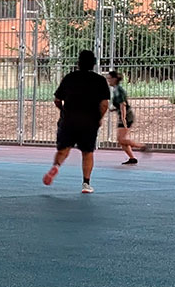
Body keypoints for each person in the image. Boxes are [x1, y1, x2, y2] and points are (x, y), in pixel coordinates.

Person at [43, 50, 109, 194]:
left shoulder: (69, 78)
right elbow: (104, 104)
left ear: (78, 63)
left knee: (63, 149)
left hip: (68, 120)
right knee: (87, 152)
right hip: (89, 122)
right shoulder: (100, 81)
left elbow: (57, 100)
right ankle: (86, 183)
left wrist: (63, 111)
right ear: (94, 63)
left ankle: (56, 166)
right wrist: (99, 118)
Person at [108, 70, 146, 164]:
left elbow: (123, 104)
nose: (108, 80)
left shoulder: (119, 90)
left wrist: (124, 119)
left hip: (126, 116)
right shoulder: (116, 89)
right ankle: (132, 158)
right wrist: (113, 109)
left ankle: (141, 146)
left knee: (121, 139)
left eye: (109, 78)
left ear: (114, 79)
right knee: (121, 140)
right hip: (123, 115)